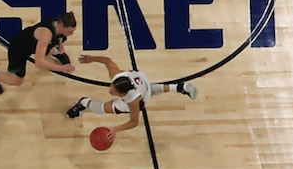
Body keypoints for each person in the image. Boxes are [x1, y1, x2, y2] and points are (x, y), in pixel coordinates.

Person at [65, 55, 197, 144]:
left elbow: (134, 122)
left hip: (141, 87)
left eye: (114, 91)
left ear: (123, 94)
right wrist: (92, 58)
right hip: (142, 81)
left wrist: (115, 129)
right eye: (112, 86)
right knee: (149, 90)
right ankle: (178, 87)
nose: (111, 90)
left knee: (102, 109)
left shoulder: (132, 100)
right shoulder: (117, 76)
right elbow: (108, 61)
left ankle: (83, 102)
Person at [0, 12, 77, 94]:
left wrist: (60, 45)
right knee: (17, 81)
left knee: (48, 48)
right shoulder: (46, 34)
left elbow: (59, 36)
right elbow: (39, 62)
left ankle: (56, 52)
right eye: (70, 31)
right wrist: (61, 68)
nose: (72, 34)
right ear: (61, 26)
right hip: (19, 49)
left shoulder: (58, 22)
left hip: (35, 42)